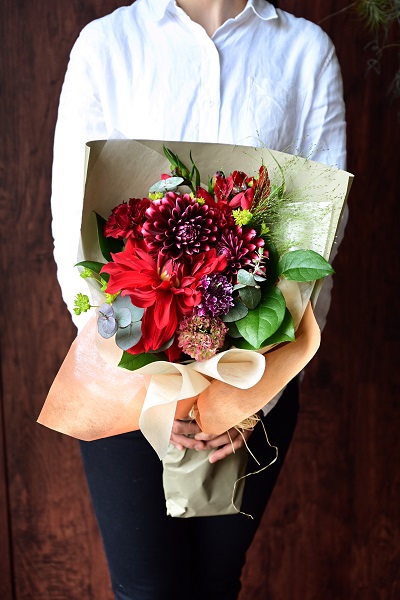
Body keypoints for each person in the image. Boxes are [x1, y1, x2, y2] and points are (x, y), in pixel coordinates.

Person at [50, 1, 347, 598]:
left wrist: (249, 394)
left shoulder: (305, 50)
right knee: (146, 590)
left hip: (257, 374)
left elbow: (321, 229)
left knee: (214, 585)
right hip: (124, 374)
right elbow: (71, 221)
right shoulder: (107, 44)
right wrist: (148, 376)